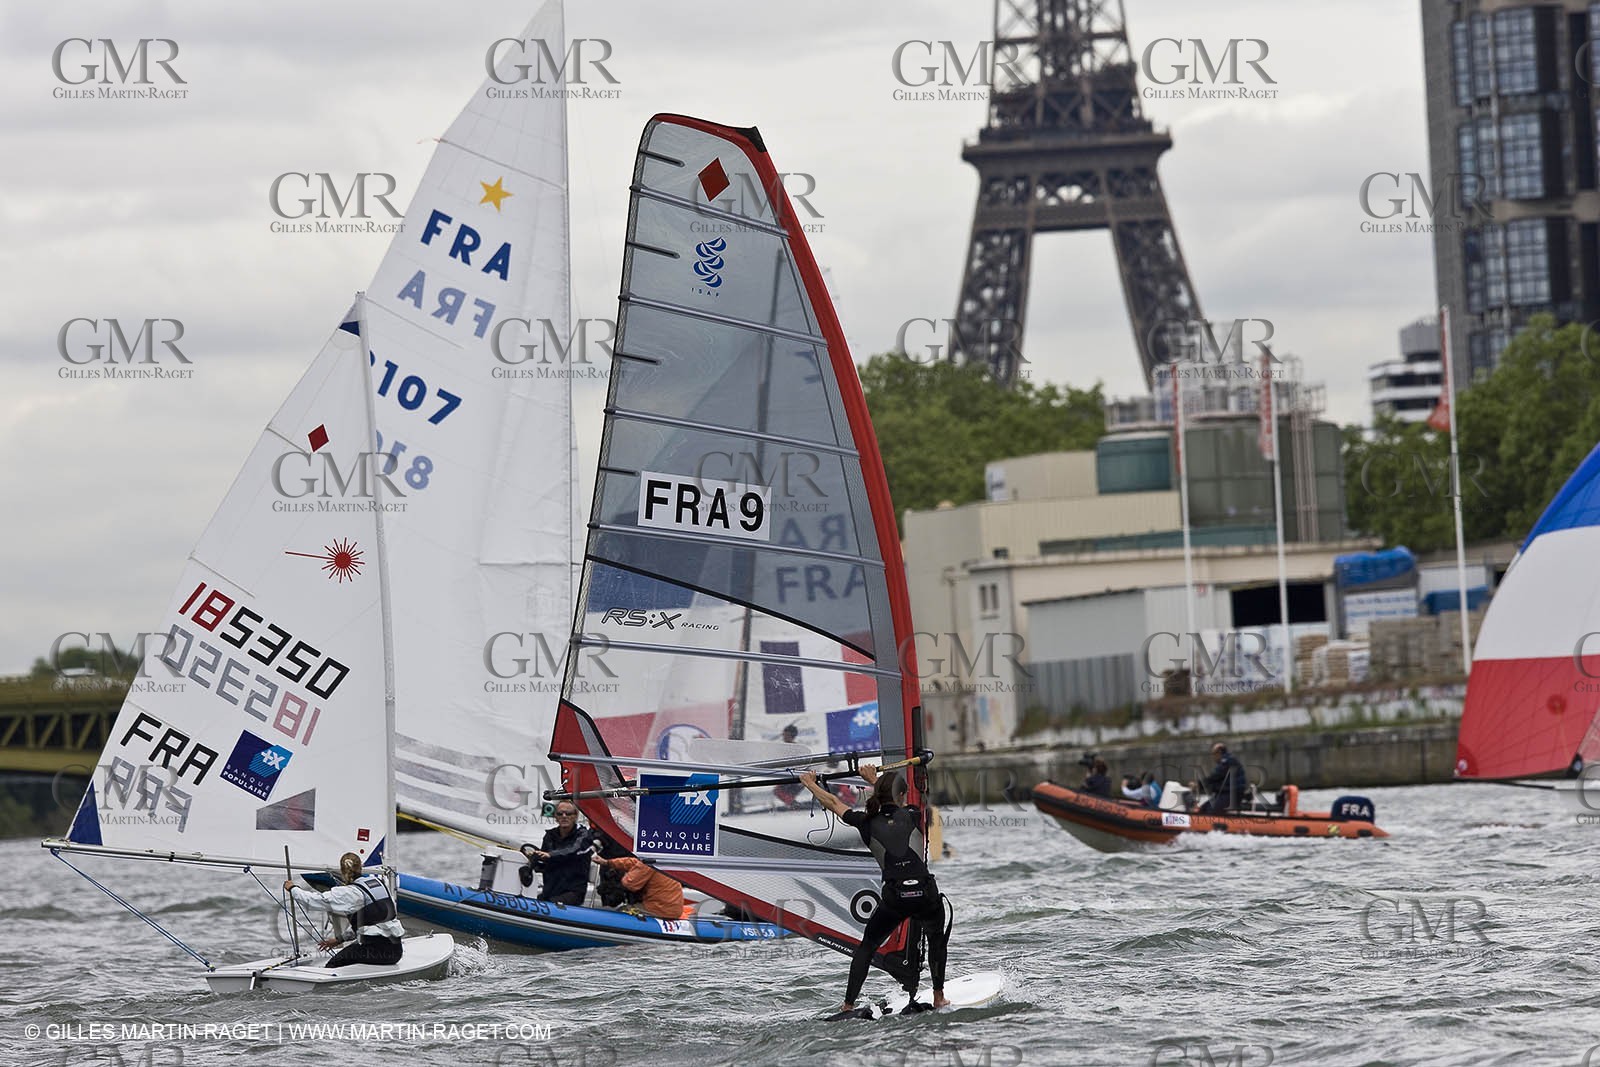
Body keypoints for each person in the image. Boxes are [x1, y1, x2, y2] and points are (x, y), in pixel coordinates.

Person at [799, 764, 950, 1015]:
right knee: (936, 942)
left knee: (867, 948)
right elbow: (894, 800)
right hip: (925, 893)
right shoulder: (913, 814)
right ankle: (938, 997)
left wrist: (810, 783)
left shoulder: (865, 821)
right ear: (901, 796)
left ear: (877, 794)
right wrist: (874, 780)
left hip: (895, 897)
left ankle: (848, 1005)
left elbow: (834, 803)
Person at [284, 852, 404, 967]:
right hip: (396, 951)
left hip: (377, 952)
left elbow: (315, 901)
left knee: (332, 964)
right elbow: (374, 923)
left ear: (342, 871)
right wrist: (339, 940)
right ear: (361, 867)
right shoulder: (380, 883)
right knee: (351, 953)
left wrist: (293, 888)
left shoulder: (351, 892)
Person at [517, 802, 596, 905]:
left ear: (575, 816)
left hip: (571, 892)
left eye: (568, 813)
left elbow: (573, 850)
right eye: (560, 814)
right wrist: (534, 859)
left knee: (550, 904)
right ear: (555, 817)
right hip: (549, 890)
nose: (564, 816)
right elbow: (545, 864)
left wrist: (550, 855)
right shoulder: (549, 836)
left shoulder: (583, 835)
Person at [591, 851, 685, 919]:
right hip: (674, 909)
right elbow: (633, 863)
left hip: (659, 909)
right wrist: (607, 862)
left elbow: (629, 884)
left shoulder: (648, 863)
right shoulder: (659, 856)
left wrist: (613, 882)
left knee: (621, 911)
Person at [1198, 742, 1246, 814]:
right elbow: (1217, 782)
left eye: (1213, 754)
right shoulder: (1225, 762)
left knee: (1210, 811)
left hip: (1232, 795)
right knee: (1203, 809)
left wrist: (1199, 784)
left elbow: (1216, 776)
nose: (1213, 757)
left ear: (1219, 752)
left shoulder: (1228, 761)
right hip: (1224, 794)